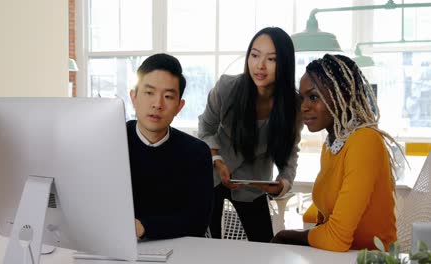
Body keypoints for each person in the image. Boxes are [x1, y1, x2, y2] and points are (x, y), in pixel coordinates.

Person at [271, 54, 399, 252]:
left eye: (314, 97)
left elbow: (336, 239)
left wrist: (285, 235)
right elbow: (326, 224)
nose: (304, 107)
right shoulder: (332, 144)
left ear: (343, 96)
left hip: (369, 259)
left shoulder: (364, 141)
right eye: (302, 98)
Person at [198, 27, 301, 242]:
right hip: (212, 180)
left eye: (271, 59)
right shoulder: (227, 88)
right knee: (208, 248)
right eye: (254, 55)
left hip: (254, 187)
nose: (259, 65)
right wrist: (217, 160)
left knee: (264, 247)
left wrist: (282, 184)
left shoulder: (294, 104)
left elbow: (290, 153)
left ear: (284, 63)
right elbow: (206, 128)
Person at [127, 53, 214, 240]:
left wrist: (143, 227)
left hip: (178, 251)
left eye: (167, 96)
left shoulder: (196, 153)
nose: (157, 104)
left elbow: (198, 221)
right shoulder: (112, 140)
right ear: (133, 97)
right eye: (149, 93)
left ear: (179, 106)